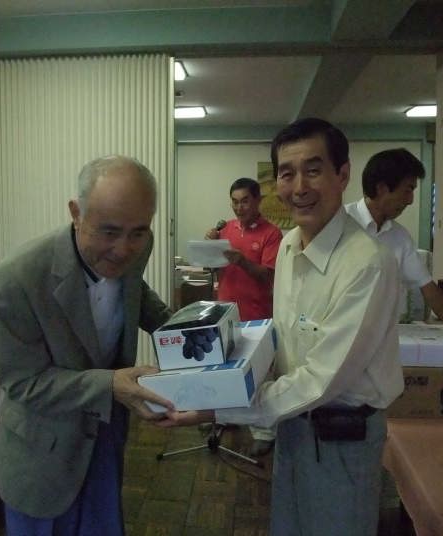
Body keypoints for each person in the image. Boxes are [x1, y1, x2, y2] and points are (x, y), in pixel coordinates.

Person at [161, 118, 404, 536]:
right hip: (291, 425)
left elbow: (320, 381)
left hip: (341, 438)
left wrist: (215, 407)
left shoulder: (368, 264)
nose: (299, 187)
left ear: (343, 174)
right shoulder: (290, 245)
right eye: (287, 174)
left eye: (314, 170)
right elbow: (283, 337)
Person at [0, 155, 175, 535]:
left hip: (105, 432)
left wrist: (184, 330)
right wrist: (111, 384)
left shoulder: (138, 243)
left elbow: (133, 292)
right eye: (108, 232)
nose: (123, 249)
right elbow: (23, 382)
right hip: (42, 450)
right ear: (76, 213)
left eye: (138, 233)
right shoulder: (18, 277)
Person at [345, 148, 443, 339]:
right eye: (408, 190)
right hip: (339, 336)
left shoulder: (399, 237)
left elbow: (428, 289)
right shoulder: (340, 223)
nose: (410, 200)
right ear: (382, 188)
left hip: (382, 338)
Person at [204, 177, 282, 456]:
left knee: (260, 375)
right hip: (225, 314)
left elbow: (268, 276)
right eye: (235, 202)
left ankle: (263, 431)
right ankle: (226, 418)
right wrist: (208, 248)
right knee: (225, 373)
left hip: (256, 316)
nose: (239, 207)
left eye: (245, 201)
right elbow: (213, 269)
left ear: (258, 200)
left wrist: (242, 261)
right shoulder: (224, 230)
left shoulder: (272, 234)